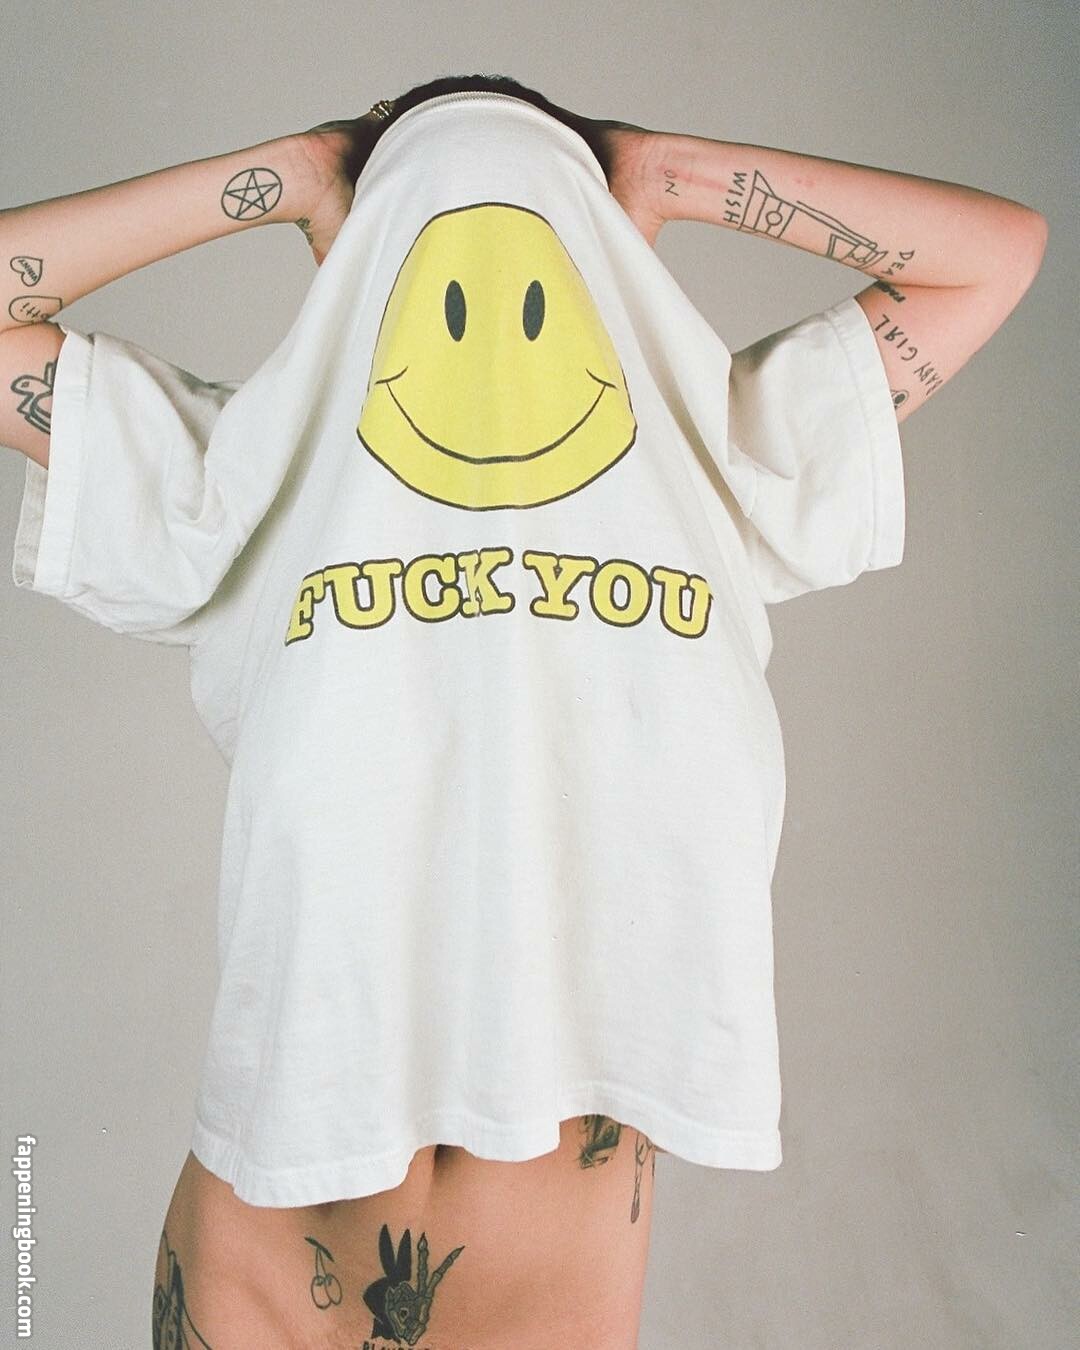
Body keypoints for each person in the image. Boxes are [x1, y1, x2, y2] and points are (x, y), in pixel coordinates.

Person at [2, 70, 1046, 1350]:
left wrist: (653, 172)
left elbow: (996, 253)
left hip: (544, 1284)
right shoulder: (248, 473)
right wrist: (309, 170)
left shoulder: (717, 456)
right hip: (265, 1253)